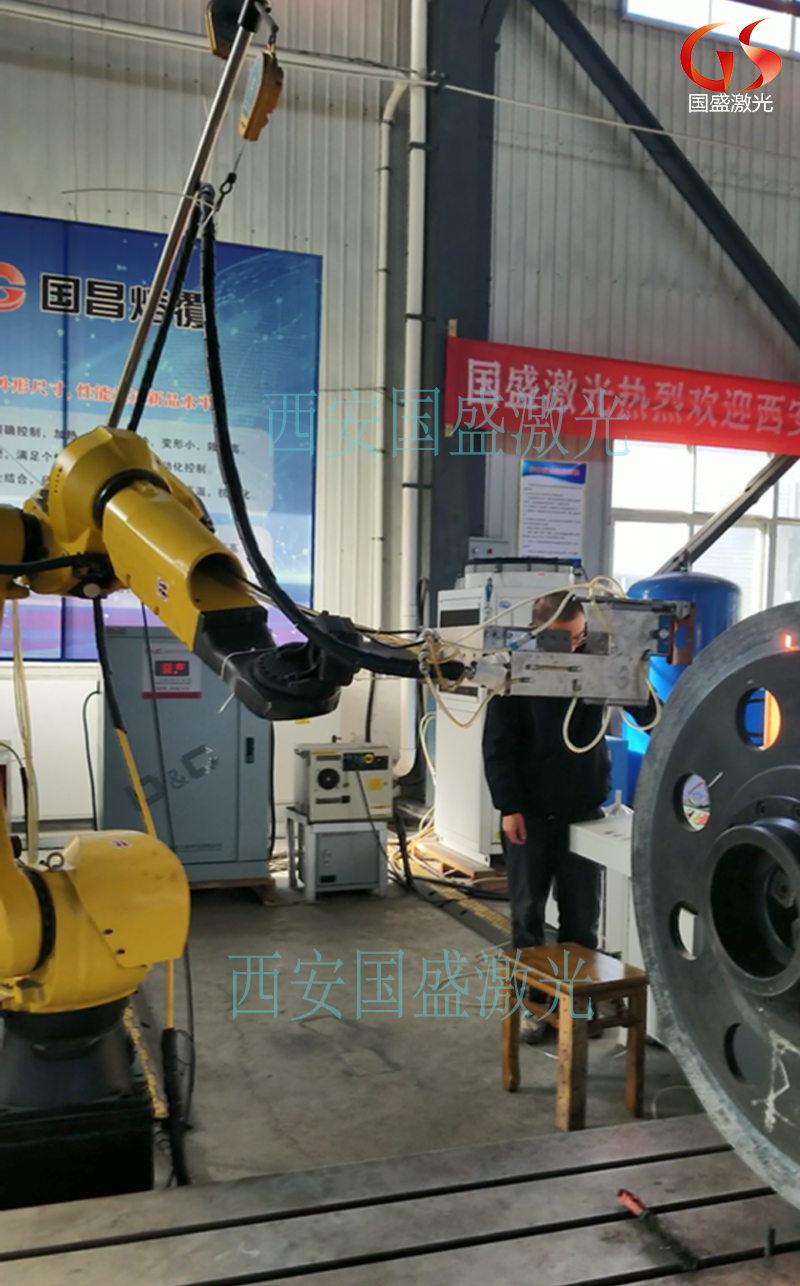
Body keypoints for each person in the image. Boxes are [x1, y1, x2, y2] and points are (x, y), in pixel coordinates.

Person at [482, 591, 611, 1044]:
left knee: (582, 918)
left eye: (577, 637)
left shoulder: (598, 668)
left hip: (582, 812)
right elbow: (498, 747)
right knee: (528, 916)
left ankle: (578, 1004)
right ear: (535, 633)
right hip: (531, 815)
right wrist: (509, 807)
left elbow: (644, 710)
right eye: (560, 638)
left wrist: (632, 668)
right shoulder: (515, 675)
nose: (571, 647)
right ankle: (535, 1007)